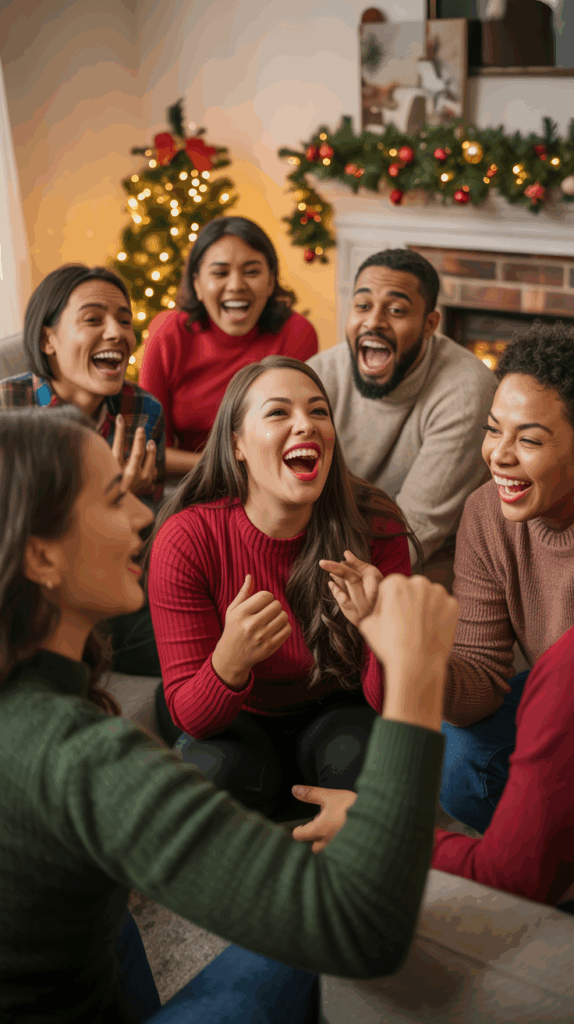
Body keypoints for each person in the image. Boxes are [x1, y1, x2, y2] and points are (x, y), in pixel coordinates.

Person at [0, 403, 457, 1023]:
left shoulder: (367, 522)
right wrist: (416, 676)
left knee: (99, 913)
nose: (142, 515)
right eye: (113, 500)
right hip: (239, 737)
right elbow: (364, 928)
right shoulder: (84, 755)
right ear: (40, 557)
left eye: (316, 410)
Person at [290, 320, 574, 910]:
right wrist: (399, 647)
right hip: (558, 693)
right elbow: (480, 683)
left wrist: (385, 828)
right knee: (461, 757)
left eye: (531, 440)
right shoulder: (486, 515)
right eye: (494, 430)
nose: (498, 455)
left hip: (564, 695)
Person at [147, 355, 419, 813]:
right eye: (278, 412)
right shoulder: (187, 537)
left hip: (339, 710)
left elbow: (394, 703)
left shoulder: (375, 522)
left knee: (377, 774)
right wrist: (228, 662)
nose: (307, 426)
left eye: (318, 412)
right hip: (237, 720)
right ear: (237, 444)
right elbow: (191, 715)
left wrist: (381, 632)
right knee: (205, 781)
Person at [0, 263, 165, 679]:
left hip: (102, 580)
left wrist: (136, 496)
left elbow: (142, 529)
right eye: (93, 319)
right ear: (47, 339)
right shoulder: (7, 407)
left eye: (124, 321)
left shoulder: (144, 411)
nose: (116, 333)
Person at [307, 248, 497, 584]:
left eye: (396, 310)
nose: (374, 321)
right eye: (362, 306)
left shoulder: (467, 389)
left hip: (431, 556)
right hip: (329, 543)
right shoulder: (319, 375)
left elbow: (415, 531)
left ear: (430, 325)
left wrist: (320, 586)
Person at [139, 216, 318, 478]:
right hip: (188, 483)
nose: (236, 285)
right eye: (220, 273)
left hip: (271, 483)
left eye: (252, 272)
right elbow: (150, 450)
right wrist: (223, 468)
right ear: (197, 284)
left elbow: (298, 437)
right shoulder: (168, 333)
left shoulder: (296, 333)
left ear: (270, 282)